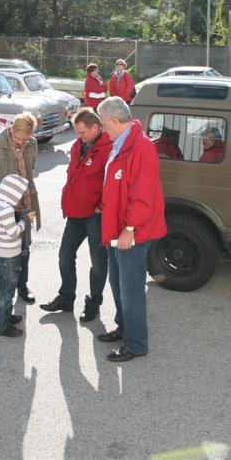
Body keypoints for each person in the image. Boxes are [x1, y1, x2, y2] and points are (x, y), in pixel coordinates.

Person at [95, 97, 167, 362]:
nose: (103, 129)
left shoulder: (141, 147)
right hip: (116, 230)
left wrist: (129, 229)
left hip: (130, 233)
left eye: (104, 124)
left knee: (131, 290)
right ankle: (123, 327)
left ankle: (136, 344)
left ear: (115, 120)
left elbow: (143, 195)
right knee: (117, 283)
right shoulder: (122, 143)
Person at [39, 107, 112, 322]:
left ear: (97, 127)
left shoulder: (108, 148)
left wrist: (101, 205)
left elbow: (112, 183)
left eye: (82, 132)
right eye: (77, 132)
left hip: (95, 214)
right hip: (75, 211)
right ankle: (66, 297)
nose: (79, 136)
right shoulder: (78, 145)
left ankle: (93, 303)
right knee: (65, 255)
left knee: (98, 262)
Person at [0, 112, 41, 304]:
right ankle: (6, 293)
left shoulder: (32, 143)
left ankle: (22, 286)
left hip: (25, 203)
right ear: (11, 129)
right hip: (3, 205)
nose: (22, 142)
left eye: (26, 138)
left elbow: (31, 171)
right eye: (18, 138)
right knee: (6, 251)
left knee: (24, 249)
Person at [0, 173, 34, 337]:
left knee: (2, 286)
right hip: (9, 254)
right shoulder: (6, 209)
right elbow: (13, 232)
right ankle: (2, 326)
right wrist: (25, 221)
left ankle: (5, 316)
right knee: (8, 290)